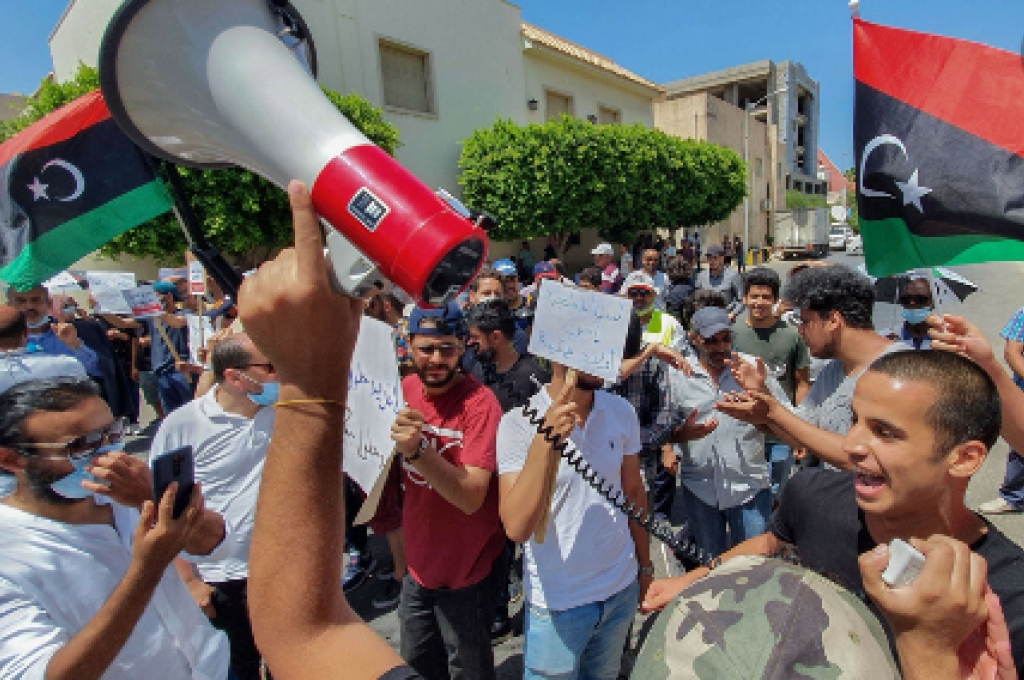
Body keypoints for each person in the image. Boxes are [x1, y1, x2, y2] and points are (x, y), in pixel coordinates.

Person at [645, 350, 1024, 669]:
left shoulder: (1008, 598)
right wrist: (690, 579)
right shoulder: (813, 495)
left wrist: (928, 651)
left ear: (964, 458)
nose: (854, 444)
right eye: (855, 421)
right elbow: (770, 544)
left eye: (885, 432)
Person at [0, 376, 232, 679]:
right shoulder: (10, 555)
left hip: (210, 666)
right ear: (11, 459)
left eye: (111, 434)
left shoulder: (125, 494)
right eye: (80, 446)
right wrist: (146, 570)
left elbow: (216, 545)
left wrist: (159, 498)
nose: (107, 455)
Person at [496, 357, 651, 679]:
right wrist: (545, 441)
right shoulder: (517, 423)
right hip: (558, 604)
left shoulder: (620, 410)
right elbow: (516, 527)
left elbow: (633, 491)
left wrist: (645, 567)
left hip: (618, 591)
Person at [148, 333, 277, 680]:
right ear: (235, 376)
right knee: (238, 668)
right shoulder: (182, 426)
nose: (280, 374)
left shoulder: (286, 414)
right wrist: (188, 579)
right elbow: (164, 508)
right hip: (221, 577)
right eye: (270, 367)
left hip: (281, 569)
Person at [390, 302, 505, 679]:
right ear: (408, 346)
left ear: (463, 347)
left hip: (466, 573)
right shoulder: (404, 389)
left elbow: (472, 496)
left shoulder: (481, 404)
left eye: (447, 348)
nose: (436, 358)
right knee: (417, 666)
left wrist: (419, 450)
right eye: (426, 348)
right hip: (418, 568)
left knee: (468, 670)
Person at [718, 265, 905, 469]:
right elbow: (801, 435)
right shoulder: (833, 371)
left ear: (833, 320)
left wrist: (774, 413)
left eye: (806, 322)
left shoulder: (900, 373)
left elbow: (867, 459)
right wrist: (762, 400)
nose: (800, 331)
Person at [669, 306, 788, 557]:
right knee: (711, 566)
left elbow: (786, 416)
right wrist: (680, 436)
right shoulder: (678, 374)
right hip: (700, 488)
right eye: (711, 341)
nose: (720, 347)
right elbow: (663, 430)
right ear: (694, 339)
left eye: (725, 339)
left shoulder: (751, 368)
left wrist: (762, 403)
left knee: (755, 566)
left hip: (749, 489)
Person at [464, 299, 549, 641]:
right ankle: (496, 611)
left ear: (496, 336)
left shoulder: (533, 377)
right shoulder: (477, 370)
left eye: (476, 339)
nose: (471, 346)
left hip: (523, 483)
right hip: (489, 482)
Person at [731, 268, 811, 497]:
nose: (760, 302)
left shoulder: (793, 336)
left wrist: (800, 428)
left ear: (776, 300)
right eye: (754, 296)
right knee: (746, 493)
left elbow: (802, 383)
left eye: (766, 297)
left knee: (777, 491)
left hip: (780, 433)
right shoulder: (732, 333)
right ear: (744, 298)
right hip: (744, 431)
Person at [7, 285, 99, 377]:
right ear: (9, 306)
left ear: (49, 303)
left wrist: (76, 346)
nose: (29, 306)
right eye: (21, 301)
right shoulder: (4, 340)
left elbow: (99, 372)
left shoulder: (77, 331)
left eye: (36, 300)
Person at [621, 271, 685, 352]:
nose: (638, 297)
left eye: (644, 292)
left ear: (654, 295)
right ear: (626, 296)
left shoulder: (670, 324)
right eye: (633, 293)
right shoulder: (617, 324)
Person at [693, 244, 744, 319]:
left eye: (715, 258)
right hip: (706, 317)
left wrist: (733, 314)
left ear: (722, 258)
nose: (712, 261)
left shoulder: (733, 276)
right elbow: (696, 298)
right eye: (709, 258)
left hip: (726, 317)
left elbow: (741, 300)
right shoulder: (701, 276)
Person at [888, 277, 934, 350]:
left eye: (919, 299)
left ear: (932, 303)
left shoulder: (944, 338)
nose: (912, 303)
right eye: (906, 299)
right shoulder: (886, 337)